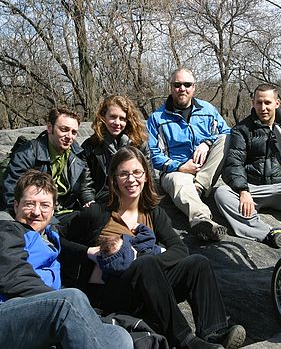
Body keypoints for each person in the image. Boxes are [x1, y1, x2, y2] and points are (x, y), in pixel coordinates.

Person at [58, 146, 246, 349]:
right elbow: (59, 239)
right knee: (146, 264)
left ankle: (212, 334)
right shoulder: (97, 212)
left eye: (137, 172)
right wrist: (87, 252)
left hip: (149, 285)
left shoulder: (153, 213)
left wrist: (144, 258)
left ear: (146, 176)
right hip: (111, 293)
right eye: (124, 174)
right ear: (114, 179)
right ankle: (186, 341)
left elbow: (179, 249)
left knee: (197, 263)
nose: (131, 180)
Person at [0, 170, 133, 349]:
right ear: (16, 206)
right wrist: (70, 306)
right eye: (29, 204)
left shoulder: (50, 239)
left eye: (44, 205)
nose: (36, 212)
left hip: (37, 321)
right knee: (70, 300)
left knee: (119, 335)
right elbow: (11, 276)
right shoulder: (1, 229)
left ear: (53, 210)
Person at [147, 68, 231, 242]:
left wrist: (207, 143)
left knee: (226, 139)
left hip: (204, 171)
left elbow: (227, 132)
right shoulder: (157, 118)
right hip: (174, 172)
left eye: (187, 84)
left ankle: (198, 187)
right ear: (171, 88)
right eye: (177, 85)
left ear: (194, 87)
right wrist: (179, 166)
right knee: (180, 181)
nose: (182, 89)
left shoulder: (208, 110)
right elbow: (152, 154)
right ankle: (204, 222)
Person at [214, 84, 281, 248]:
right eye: (259, 103)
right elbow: (234, 163)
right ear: (253, 103)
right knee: (222, 193)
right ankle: (267, 234)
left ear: (277, 103)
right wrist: (243, 190)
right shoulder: (241, 130)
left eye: (267, 103)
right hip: (254, 190)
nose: (263, 108)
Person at [2, 107, 95, 223]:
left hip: (65, 212)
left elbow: (85, 186)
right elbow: (12, 190)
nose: (69, 136)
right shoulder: (28, 152)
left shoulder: (78, 155)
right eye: (64, 129)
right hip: (35, 213)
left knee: (97, 216)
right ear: (50, 128)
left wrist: (89, 201)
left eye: (74, 132)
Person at [83, 95, 150, 203]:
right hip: (103, 199)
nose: (117, 123)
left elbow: (149, 177)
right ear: (103, 117)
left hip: (134, 197)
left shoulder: (139, 145)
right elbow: (86, 185)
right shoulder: (90, 146)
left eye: (122, 118)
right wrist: (89, 201)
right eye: (113, 117)